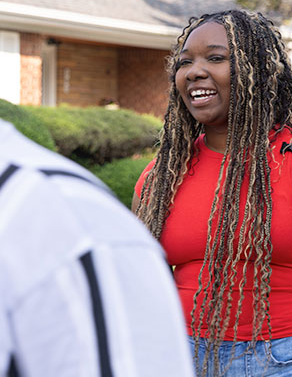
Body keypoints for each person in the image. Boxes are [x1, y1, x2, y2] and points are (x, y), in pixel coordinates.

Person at [132, 10, 292, 377]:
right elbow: (145, 294)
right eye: (185, 62)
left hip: (291, 359)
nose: (194, 71)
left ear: (257, 69)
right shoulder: (160, 177)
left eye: (215, 57)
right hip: (182, 356)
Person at [0, 119, 193, 376]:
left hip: (263, 351)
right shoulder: (160, 176)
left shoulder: (70, 213)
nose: (192, 75)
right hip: (185, 337)